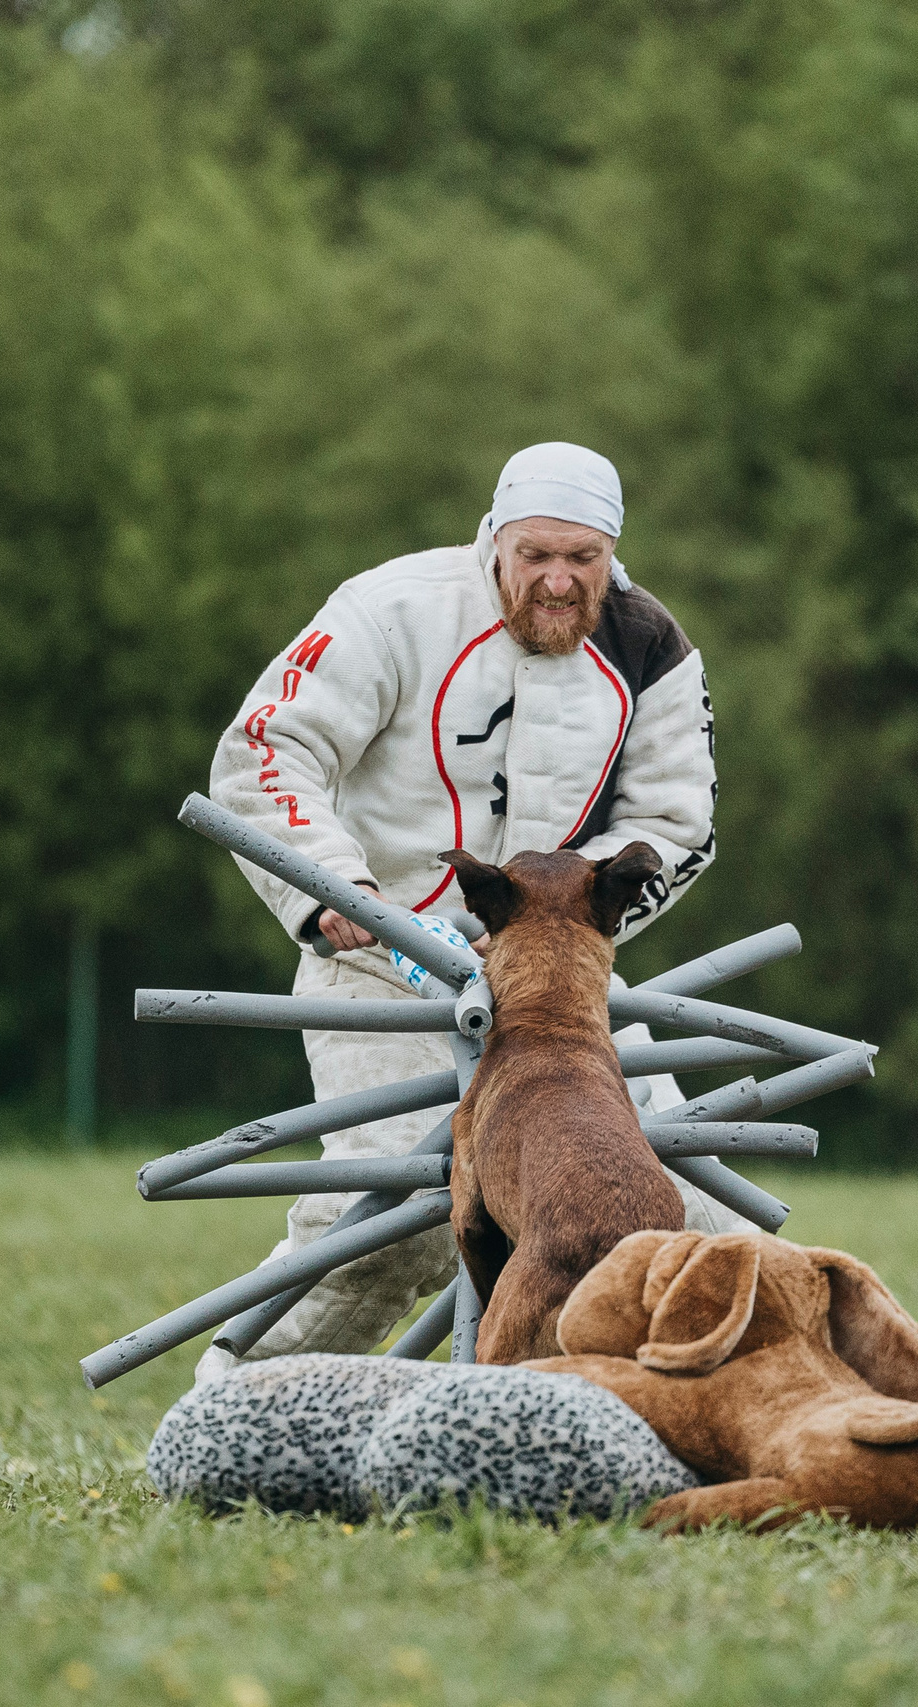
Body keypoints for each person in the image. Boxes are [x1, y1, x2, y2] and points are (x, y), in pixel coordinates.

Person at [194, 442, 743, 1385]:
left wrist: (552, 928)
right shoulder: (391, 609)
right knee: (381, 1226)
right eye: (536, 555)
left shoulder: (652, 645)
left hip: (560, 990)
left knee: (698, 1213)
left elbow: (677, 821)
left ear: (613, 551)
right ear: (495, 538)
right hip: (378, 970)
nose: (559, 580)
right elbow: (266, 748)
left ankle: (743, 1423)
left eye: (584, 558)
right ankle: (228, 1403)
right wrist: (335, 888)